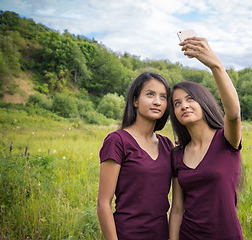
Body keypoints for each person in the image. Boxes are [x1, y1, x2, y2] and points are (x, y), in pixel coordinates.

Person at [169, 36, 244, 239]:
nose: (183, 105)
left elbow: (234, 113)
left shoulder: (226, 140)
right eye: (176, 103)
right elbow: (177, 210)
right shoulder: (177, 155)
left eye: (190, 99)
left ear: (204, 102)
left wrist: (215, 65)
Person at [97, 72, 174, 240]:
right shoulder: (117, 141)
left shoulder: (168, 145)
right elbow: (103, 203)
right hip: (127, 234)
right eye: (150, 94)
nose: (157, 102)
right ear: (135, 100)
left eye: (163, 97)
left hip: (161, 235)